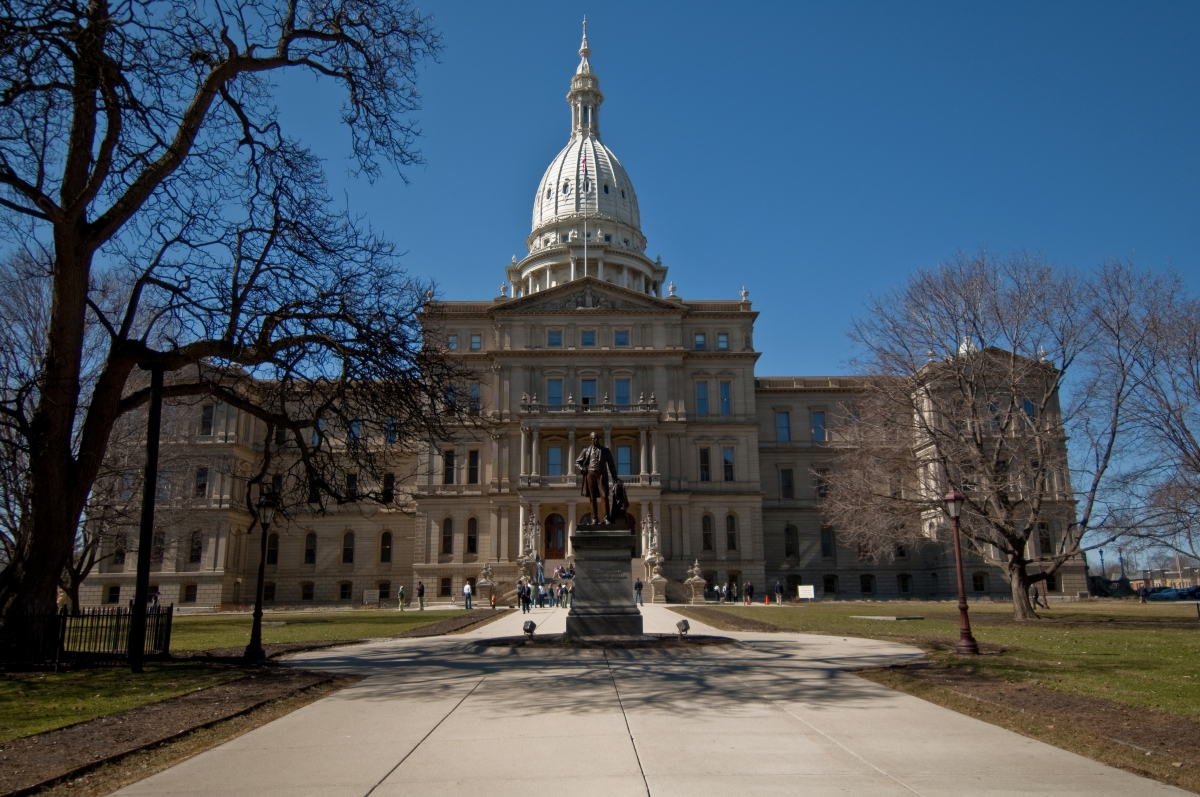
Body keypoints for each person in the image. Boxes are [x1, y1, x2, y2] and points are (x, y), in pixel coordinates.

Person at [576, 431, 619, 524]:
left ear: (599, 439)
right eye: (593, 438)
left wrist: (615, 477)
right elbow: (577, 462)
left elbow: (611, 464)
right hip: (590, 474)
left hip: (601, 475)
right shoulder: (586, 451)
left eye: (596, 438)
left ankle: (606, 518)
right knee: (592, 497)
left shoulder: (605, 450)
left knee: (604, 496)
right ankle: (594, 518)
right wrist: (583, 468)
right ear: (590, 440)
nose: (595, 440)